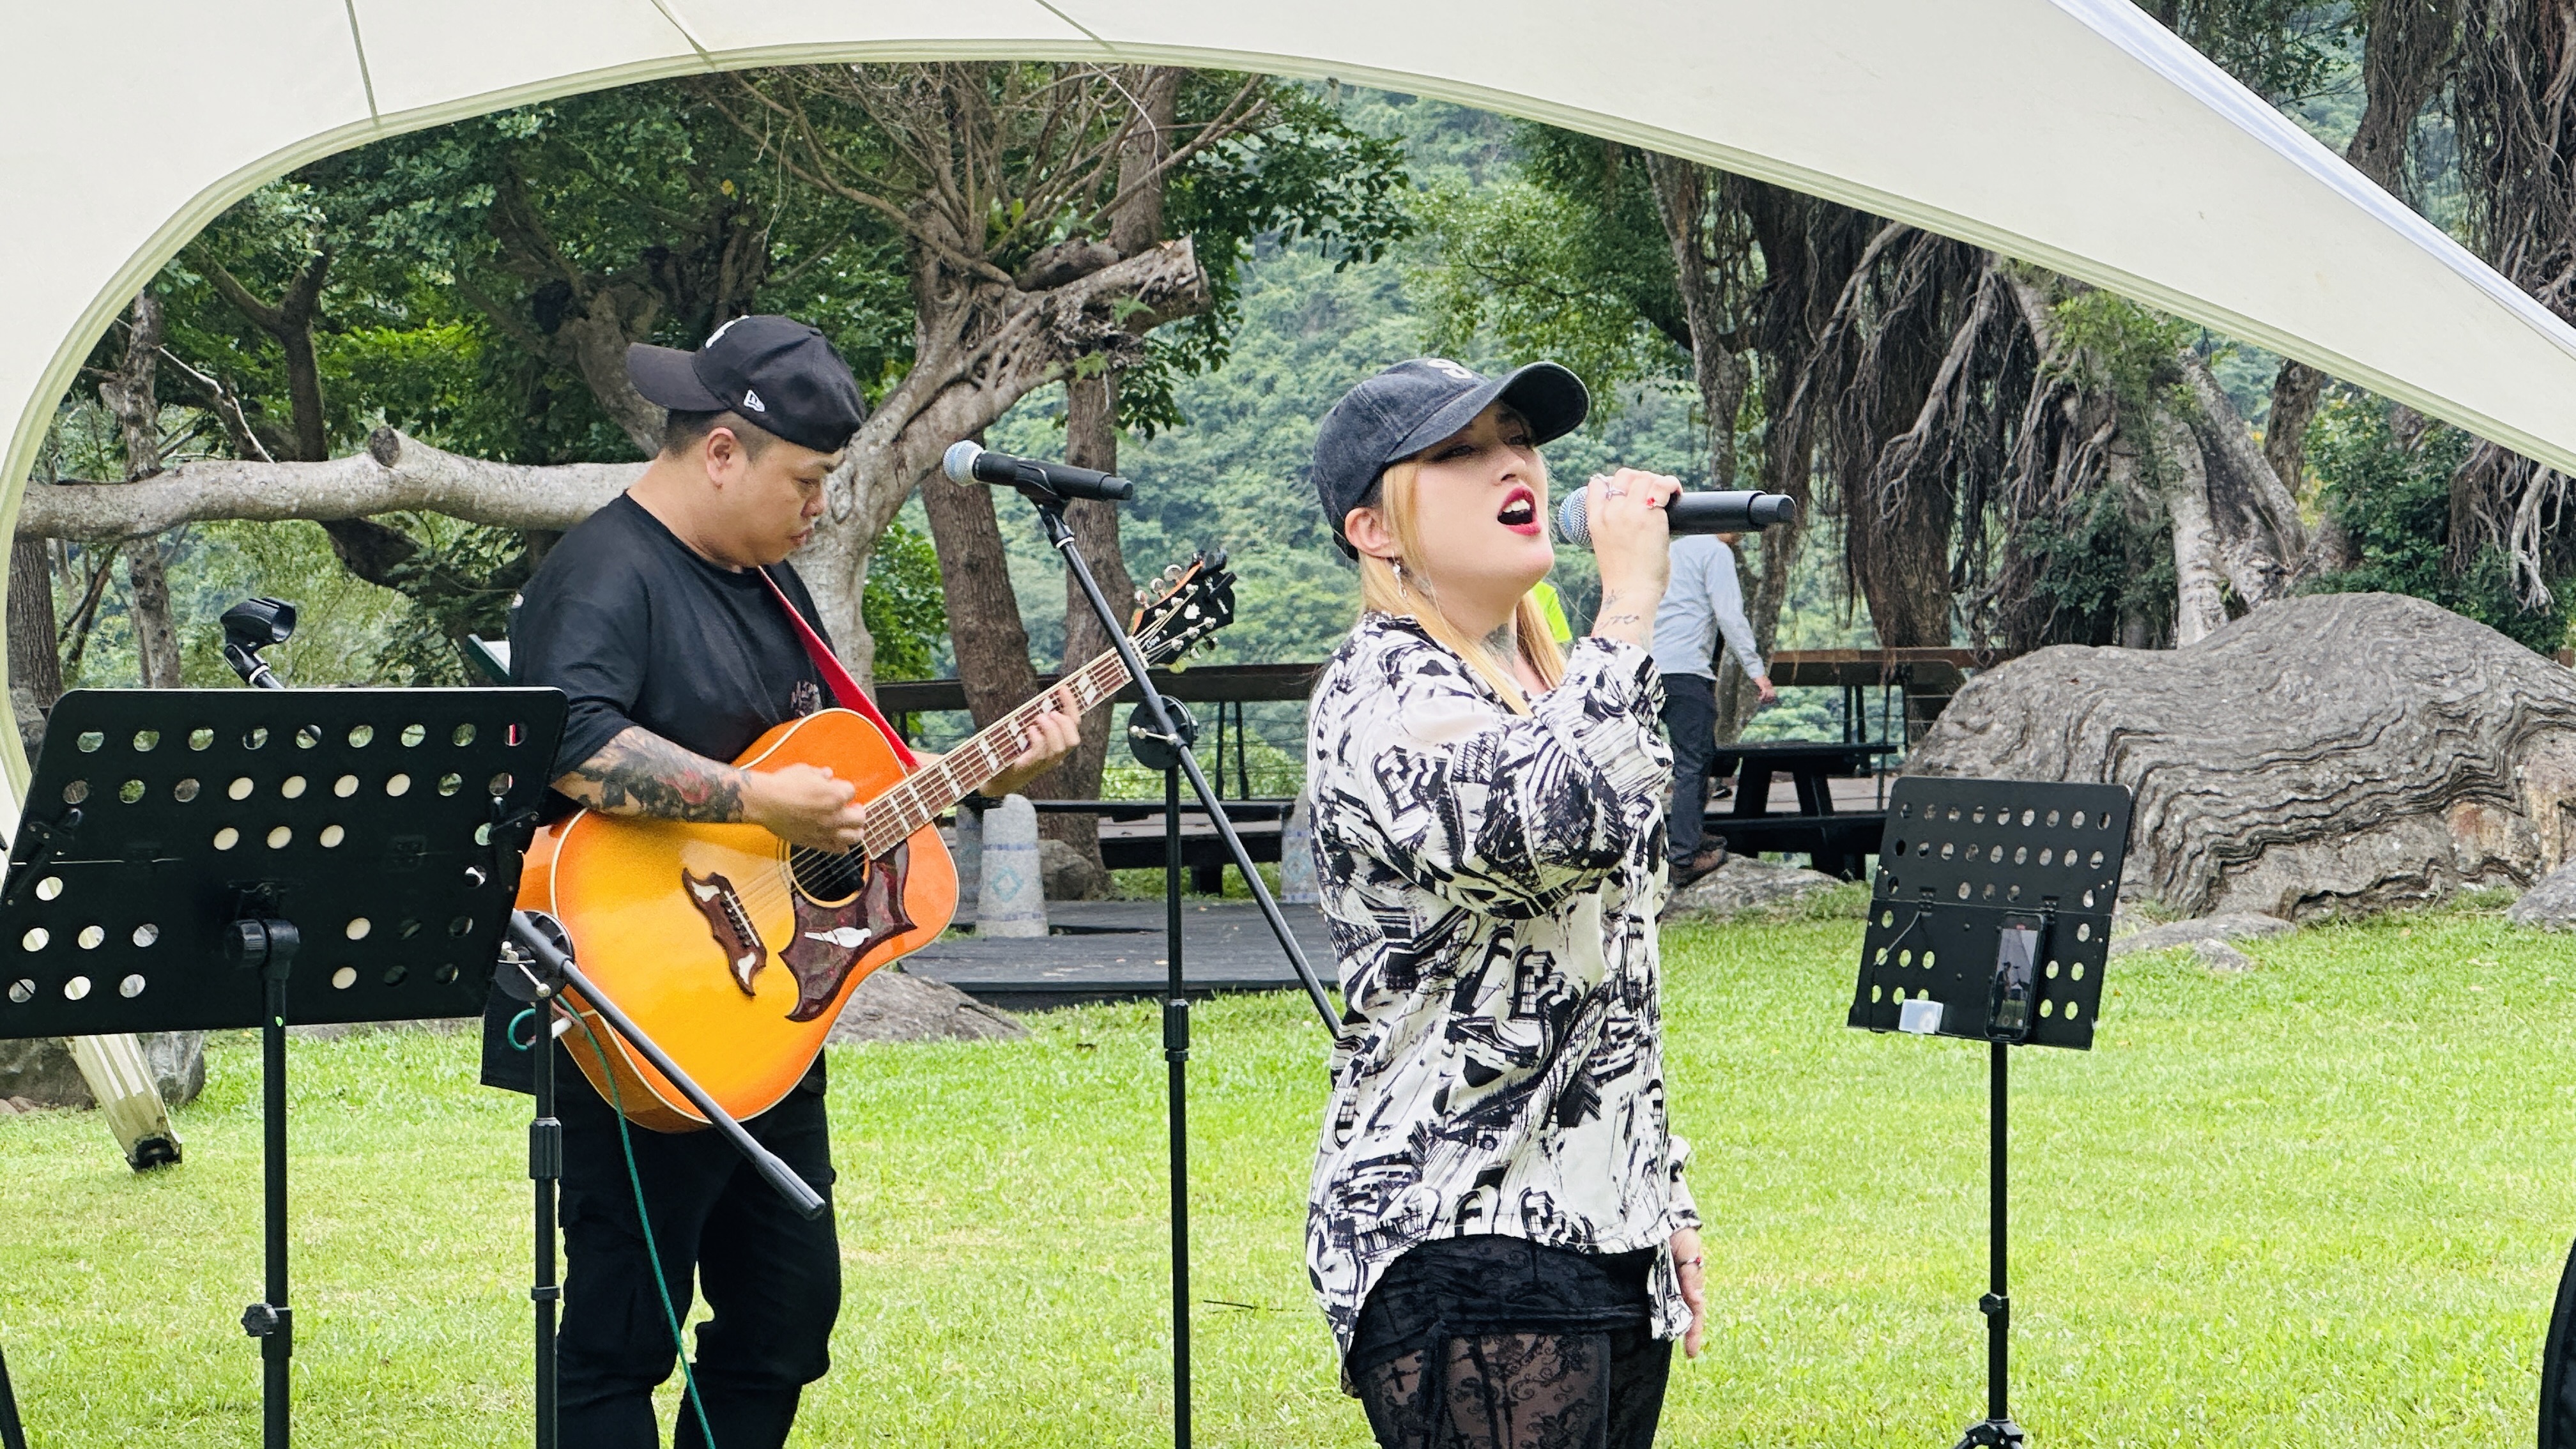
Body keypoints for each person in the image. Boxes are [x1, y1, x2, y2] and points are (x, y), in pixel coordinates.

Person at [479, 315, 1078, 1449]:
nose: (821, 508)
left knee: (785, 1317)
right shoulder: (604, 573)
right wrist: (757, 802)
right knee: (620, 1335)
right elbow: (568, 745)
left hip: (764, 1012)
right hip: (630, 1004)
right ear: (721, 451)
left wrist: (989, 766)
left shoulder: (767, 583)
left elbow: (846, 783)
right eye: (806, 481)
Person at [1304, 356, 1707, 1449]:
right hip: (1459, 1227)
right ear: (1373, 529)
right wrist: (1630, 605)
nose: (1512, 464)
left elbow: (1609, 971)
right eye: (1460, 451)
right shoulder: (1383, 690)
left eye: (1519, 436)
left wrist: (1657, 1191)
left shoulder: (1542, 688)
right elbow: (1551, 831)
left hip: (1596, 1229)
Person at [1652, 529, 1774, 885]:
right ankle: (1683, 856)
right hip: (1686, 670)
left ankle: (1670, 840)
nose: (1741, 535)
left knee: (1649, 762)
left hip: (1646, 667)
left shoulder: (1671, 551)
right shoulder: (1715, 551)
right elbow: (1729, 614)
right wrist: (1757, 671)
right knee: (1694, 762)